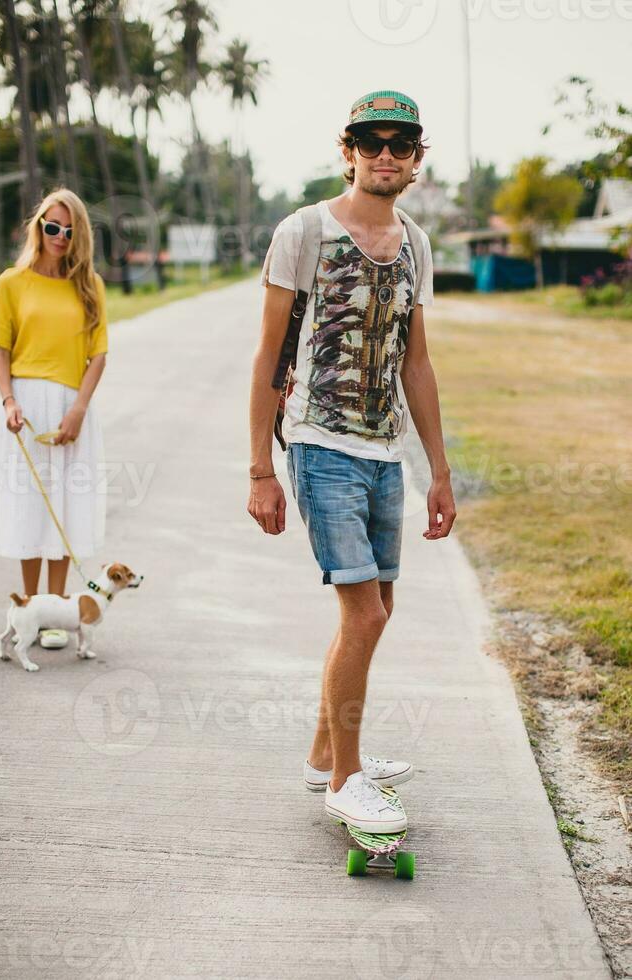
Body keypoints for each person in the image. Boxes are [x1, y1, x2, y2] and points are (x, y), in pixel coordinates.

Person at [248, 91, 456, 832]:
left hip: (383, 449)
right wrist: (260, 471)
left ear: (416, 159)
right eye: (373, 141)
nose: (386, 154)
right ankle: (346, 777)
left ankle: (321, 755)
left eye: (401, 144)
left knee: (380, 607)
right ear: (349, 150)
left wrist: (439, 469)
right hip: (318, 441)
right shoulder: (304, 231)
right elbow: (270, 355)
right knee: (363, 611)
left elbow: (418, 364)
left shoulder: (415, 245)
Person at [0, 188, 108, 649]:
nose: (59, 236)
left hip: (71, 408)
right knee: (29, 507)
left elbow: (98, 355)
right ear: (38, 227)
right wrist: (8, 401)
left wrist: (78, 408)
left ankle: (57, 610)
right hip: (24, 407)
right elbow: (0, 349)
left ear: (79, 235)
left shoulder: (88, 285)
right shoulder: (11, 283)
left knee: (63, 506)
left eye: (69, 230)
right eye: (52, 226)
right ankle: (31, 611)